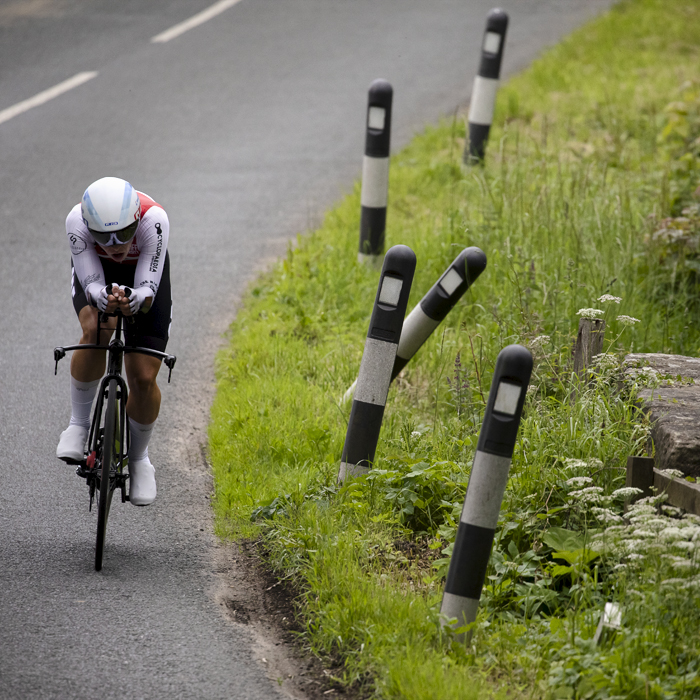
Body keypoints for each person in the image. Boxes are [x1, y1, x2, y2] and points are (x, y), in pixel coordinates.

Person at [56, 177, 172, 506]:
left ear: (136, 220)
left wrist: (137, 300)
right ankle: (78, 426)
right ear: (88, 227)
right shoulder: (76, 221)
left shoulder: (154, 221)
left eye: (123, 234)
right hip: (99, 275)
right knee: (96, 328)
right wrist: (103, 298)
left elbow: (148, 291)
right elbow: (91, 283)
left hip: (143, 275)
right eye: (102, 237)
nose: (114, 245)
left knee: (144, 375)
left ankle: (138, 459)